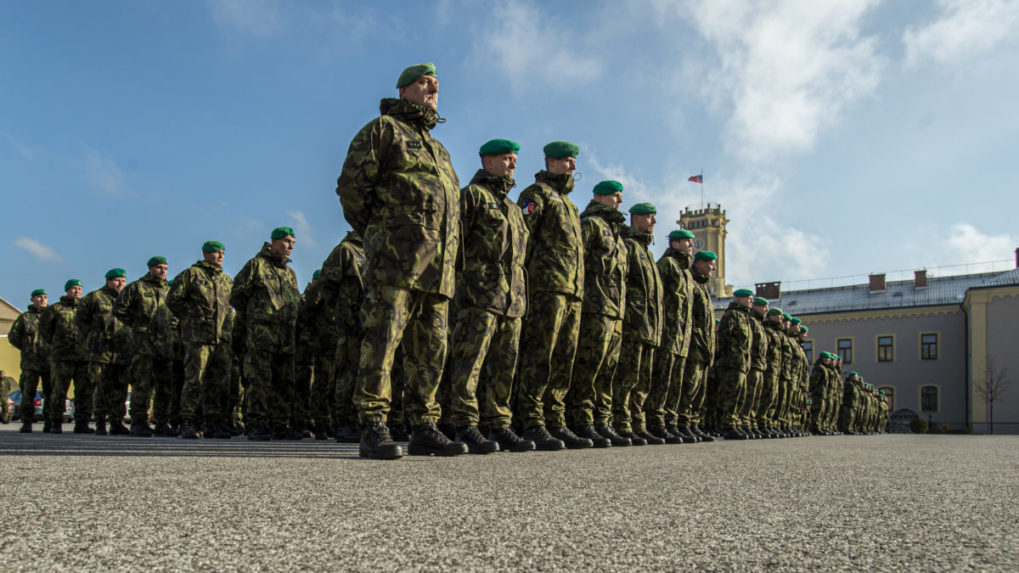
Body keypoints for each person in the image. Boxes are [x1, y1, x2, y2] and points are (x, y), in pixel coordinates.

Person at [336, 63, 467, 459]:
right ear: (404, 90)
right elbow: (352, 190)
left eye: (436, 86)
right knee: (383, 339)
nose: (432, 90)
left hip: (437, 268)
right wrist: (381, 233)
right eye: (424, 83)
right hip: (396, 261)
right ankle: (374, 424)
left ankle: (424, 425)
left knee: (431, 347)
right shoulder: (383, 130)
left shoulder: (439, 150)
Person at [447, 139, 534, 454]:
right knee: (469, 362)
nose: (512, 164)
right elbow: (454, 243)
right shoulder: (473, 197)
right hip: (478, 295)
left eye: (514, 159)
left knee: (504, 365)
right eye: (506, 158)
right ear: (488, 162)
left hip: (511, 300)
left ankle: (499, 424)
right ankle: (465, 424)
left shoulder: (512, 208)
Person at [513, 141, 588, 451]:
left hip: (571, 291)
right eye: (567, 161)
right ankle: (530, 420)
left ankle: (555, 420)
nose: (572, 167)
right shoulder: (536, 194)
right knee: (539, 355)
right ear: (550, 162)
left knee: (563, 358)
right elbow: (522, 237)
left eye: (573, 162)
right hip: (546, 288)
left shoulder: (569, 205)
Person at [566, 180, 630, 448]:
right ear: (599, 197)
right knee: (588, 367)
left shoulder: (616, 233)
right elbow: (578, 263)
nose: (620, 202)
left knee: (607, 371)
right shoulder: (590, 224)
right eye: (616, 196)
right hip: (594, 307)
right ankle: (581, 420)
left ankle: (601, 421)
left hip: (614, 311)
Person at [231, 227, 302, 441]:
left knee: (285, 381)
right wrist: (257, 318)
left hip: (285, 338)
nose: (290, 246)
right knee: (258, 380)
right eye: (286, 241)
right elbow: (237, 297)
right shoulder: (256, 265)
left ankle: (279, 424)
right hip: (261, 336)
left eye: (293, 243)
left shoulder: (290, 274)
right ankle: (255, 423)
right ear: (273, 242)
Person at [167, 241, 234, 439]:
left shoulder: (226, 280)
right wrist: (190, 319)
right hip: (199, 338)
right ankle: (188, 420)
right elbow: (173, 299)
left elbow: (230, 308)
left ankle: (213, 422)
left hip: (221, 339)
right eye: (216, 252)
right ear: (206, 254)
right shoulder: (192, 274)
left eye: (223, 252)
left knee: (218, 381)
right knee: (195, 379)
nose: (220, 256)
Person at [613, 203, 666, 446]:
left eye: (654, 217)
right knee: (628, 376)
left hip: (648, 327)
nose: (653, 221)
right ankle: (622, 423)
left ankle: (637, 423)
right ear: (635, 219)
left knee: (643, 379)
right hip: (634, 324)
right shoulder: (630, 246)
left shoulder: (647, 252)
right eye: (648, 217)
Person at [646, 229, 697, 444]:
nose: (691, 246)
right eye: (688, 242)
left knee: (675, 382)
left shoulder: (685, 273)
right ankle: (656, 422)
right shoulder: (667, 265)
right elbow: (657, 297)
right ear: (675, 244)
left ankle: (669, 421)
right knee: (663, 380)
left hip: (681, 337)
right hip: (668, 333)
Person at [317, 230, 366, 443]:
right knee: (348, 372)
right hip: (351, 323)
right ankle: (345, 423)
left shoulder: (376, 249)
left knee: (368, 374)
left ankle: (363, 421)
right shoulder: (346, 250)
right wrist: (342, 309)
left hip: (371, 324)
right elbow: (327, 283)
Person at [114, 256, 172, 437]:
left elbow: (177, 310)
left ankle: (162, 422)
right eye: (159, 268)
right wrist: (137, 326)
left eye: (165, 268)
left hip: (165, 344)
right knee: (142, 384)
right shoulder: (137, 287)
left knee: (164, 385)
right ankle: (139, 421)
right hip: (143, 345)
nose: (162, 271)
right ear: (150, 268)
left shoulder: (170, 289)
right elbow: (119, 309)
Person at [77, 268, 131, 435]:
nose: (121, 283)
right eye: (117, 280)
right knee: (100, 387)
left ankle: (116, 422)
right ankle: (100, 421)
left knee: (120, 388)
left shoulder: (128, 298)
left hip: (122, 351)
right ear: (108, 281)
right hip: (100, 351)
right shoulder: (95, 297)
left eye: (123, 280)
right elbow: (80, 320)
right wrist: (95, 336)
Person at [675, 251, 717, 441]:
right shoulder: (691, 282)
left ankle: (692, 423)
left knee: (698, 389)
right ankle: (682, 424)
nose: (713, 268)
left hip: (703, 347)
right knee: (689, 385)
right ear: (699, 263)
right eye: (710, 264)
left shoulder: (703, 287)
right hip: (692, 343)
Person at [38, 279, 87, 433]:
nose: (77, 291)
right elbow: (44, 329)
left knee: (83, 392)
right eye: (73, 288)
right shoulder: (55, 309)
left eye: (79, 288)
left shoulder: (86, 309)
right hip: (62, 357)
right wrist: (56, 344)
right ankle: (55, 422)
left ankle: (81, 423)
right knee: (58, 391)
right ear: (67, 290)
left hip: (83, 357)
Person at [713, 288, 755, 440]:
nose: (751, 301)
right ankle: (727, 425)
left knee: (740, 396)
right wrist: (727, 358)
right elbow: (722, 339)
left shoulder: (744, 317)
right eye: (749, 298)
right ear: (740, 299)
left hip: (742, 363)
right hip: (732, 362)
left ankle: (735, 423)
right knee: (731, 394)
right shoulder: (731, 315)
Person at [8, 288, 50, 432]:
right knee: (28, 393)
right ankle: (27, 422)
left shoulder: (52, 316)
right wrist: (27, 348)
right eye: (39, 297)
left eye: (45, 297)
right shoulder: (25, 318)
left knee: (51, 393)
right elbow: (13, 337)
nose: (42, 299)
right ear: (32, 299)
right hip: (30, 363)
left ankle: (50, 422)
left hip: (49, 363)